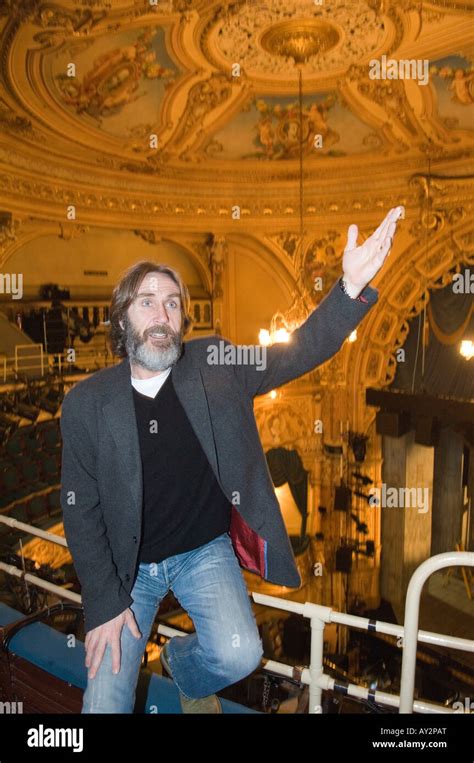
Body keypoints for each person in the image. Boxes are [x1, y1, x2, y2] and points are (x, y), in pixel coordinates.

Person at [60, 206, 404, 713]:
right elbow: (79, 507)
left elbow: (298, 352)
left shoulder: (214, 363)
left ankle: (181, 666)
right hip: (126, 567)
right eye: (148, 302)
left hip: (204, 550)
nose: (163, 315)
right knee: (104, 705)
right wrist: (106, 604)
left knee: (242, 653)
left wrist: (349, 288)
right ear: (121, 319)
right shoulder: (88, 402)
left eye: (174, 304)